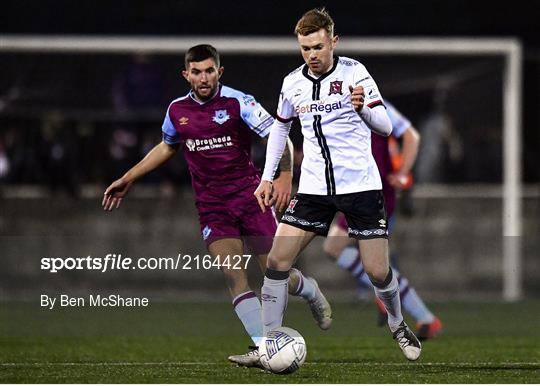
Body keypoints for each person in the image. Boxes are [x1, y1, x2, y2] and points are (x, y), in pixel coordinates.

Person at [102, 44, 332, 366]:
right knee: (232, 273)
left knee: (274, 272)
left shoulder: (240, 102)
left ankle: (308, 290)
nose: (203, 77)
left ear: (219, 72)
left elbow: (279, 136)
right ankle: (265, 346)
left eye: (209, 70)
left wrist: (283, 176)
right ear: (186, 75)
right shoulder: (176, 111)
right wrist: (129, 177)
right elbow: (167, 146)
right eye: (196, 72)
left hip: (252, 198)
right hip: (212, 206)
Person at [254, 8, 422, 362]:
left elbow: (385, 127)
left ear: (333, 41)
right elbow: (281, 130)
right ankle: (266, 343)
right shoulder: (292, 83)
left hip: (360, 186)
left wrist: (362, 110)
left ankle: (397, 323)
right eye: (305, 48)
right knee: (276, 260)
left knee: (377, 271)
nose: (312, 55)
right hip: (314, 189)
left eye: (317, 46)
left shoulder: (355, 73)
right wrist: (269, 176)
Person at [323, 101, 443, 340]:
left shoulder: (376, 104)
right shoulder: (331, 104)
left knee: (360, 259)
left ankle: (425, 317)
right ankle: (420, 315)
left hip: (375, 194)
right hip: (356, 192)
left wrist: (402, 173)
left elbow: (411, 136)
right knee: (349, 254)